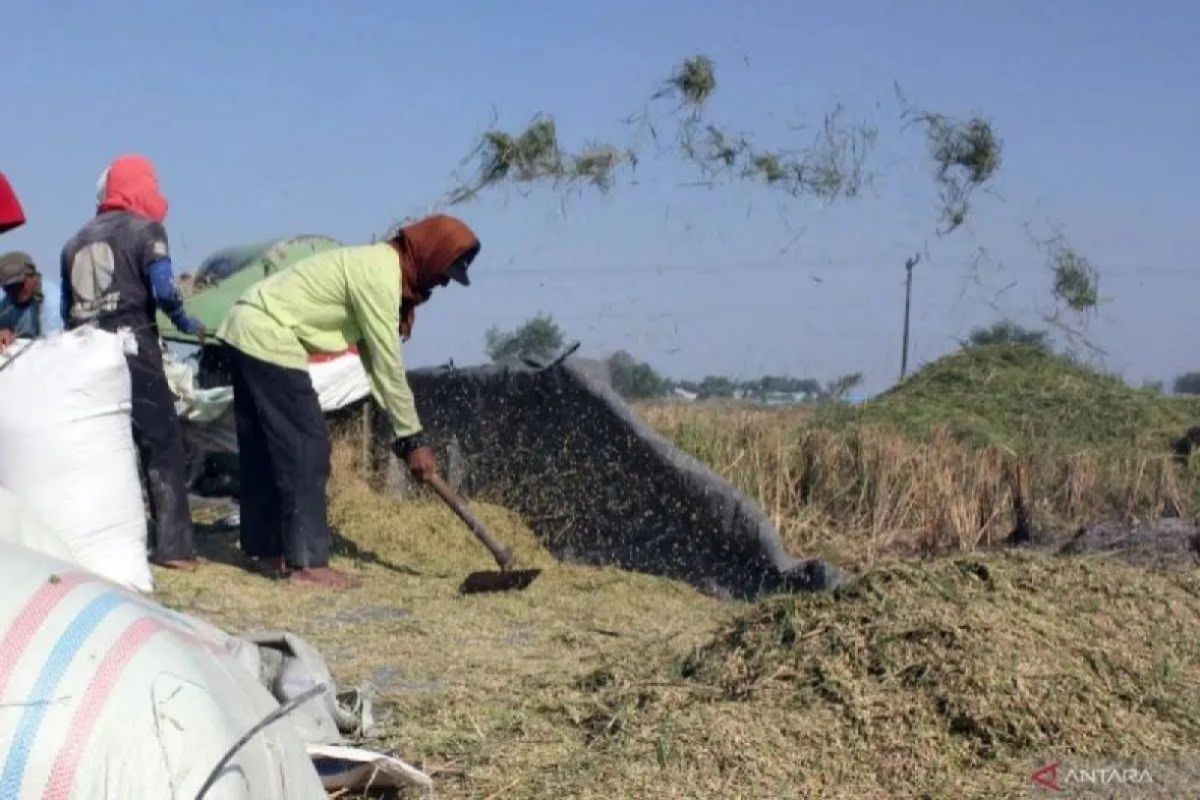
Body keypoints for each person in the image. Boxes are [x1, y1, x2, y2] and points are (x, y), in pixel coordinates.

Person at [216, 214, 481, 588]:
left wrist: (406, 438)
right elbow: (387, 363)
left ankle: (265, 549)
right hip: (268, 331)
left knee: (264, 447)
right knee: (307, 446)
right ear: (430, 254)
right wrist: (415, 437)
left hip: (246, 325)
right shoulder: (380, 274)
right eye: (444, 272)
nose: (442, 283)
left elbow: (373, 360)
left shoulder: (379, 267)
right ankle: (307, 563)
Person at [61, 154, 205, 570]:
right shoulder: (146, 231)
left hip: (85, 353)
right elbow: (164, 290)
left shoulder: (73, 242)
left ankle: (98, 540)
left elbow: (70, 311)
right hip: (133, 348)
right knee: (160, 444)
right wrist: (185, 321)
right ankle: (173, 548)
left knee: (105, 447)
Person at [0, 251, 43, 348]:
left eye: (19, 285)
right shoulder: (5, 306)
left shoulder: (51, 303)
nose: (17, 292)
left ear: (33, 277)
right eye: (10, 288)